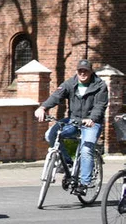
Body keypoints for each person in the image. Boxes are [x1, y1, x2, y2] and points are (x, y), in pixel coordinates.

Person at [34, 58, 107, 189]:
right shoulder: (70, 83)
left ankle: (84, 182)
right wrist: (43, 107)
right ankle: (68, 162)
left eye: (86, 71)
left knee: (86, 150)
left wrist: (92, 118)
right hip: (73, 120)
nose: (83, 73)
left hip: (91, 123)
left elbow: (100, 105)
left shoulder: (100, 85)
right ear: (77, 71)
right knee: (51, 135)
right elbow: (56, 96)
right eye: (80, 71)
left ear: (91, 72)